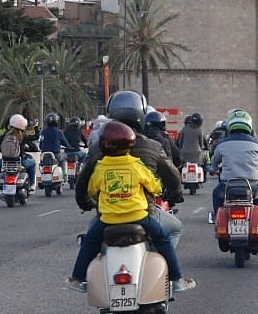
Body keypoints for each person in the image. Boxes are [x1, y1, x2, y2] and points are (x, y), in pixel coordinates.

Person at [67, 121, 196, 294]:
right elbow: (154, 186)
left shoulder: (101, 167)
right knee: (164, 240)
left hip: (107, 219)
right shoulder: (136, 165)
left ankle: (78, 278)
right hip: (139, 217)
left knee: (89, 243)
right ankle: (176, 279)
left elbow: (91, 189)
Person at [75, 90, 184, 248]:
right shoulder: (153, 148)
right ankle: (172, 271)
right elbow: (172, 178)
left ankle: (78, 274)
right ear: (141, 114)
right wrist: (173, 195)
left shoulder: (98, 148)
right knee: (175, 229)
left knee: (89, 245)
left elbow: (84, 184)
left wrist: (88, 203)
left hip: (107, 217)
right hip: (145, 214)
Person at [209, 110, 258, 224]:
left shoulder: (222, 145)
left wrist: (213, 170)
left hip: (228, 184)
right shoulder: (257, 145)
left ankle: (217, 219)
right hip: (252, 184)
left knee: (216, 194)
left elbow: (213, 164)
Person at [0, 114, 37, 190]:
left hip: (5, 161)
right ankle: (32, 184)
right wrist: (36, 127)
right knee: (32, 164)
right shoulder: (22, 135)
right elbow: (35, 137)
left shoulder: (5, 134)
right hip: (20, 161)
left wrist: (5, 153)